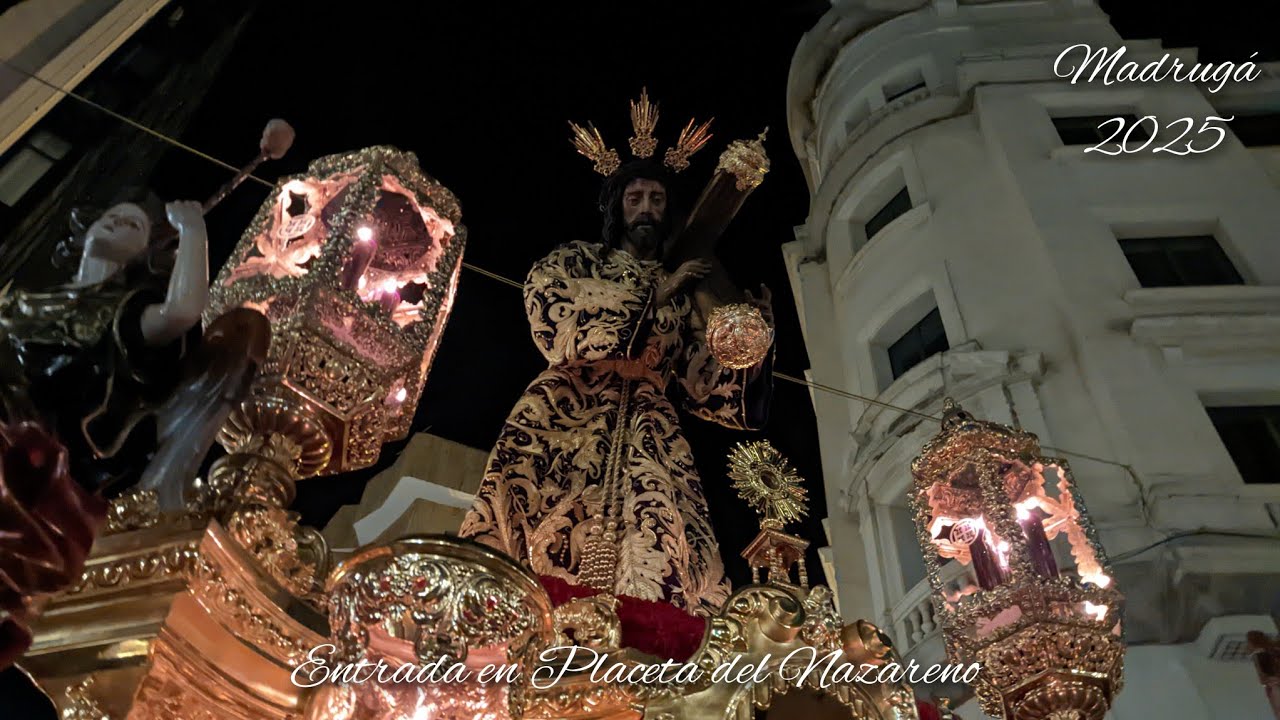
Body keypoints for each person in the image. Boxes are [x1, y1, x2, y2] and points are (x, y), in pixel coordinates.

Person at [459, 158, 773, 615]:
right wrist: (654, 296)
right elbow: (550, 307)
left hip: (650, 425)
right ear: (617, 208)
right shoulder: (580, 260)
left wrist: (747, 341)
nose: (646, 208)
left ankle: (647, 632)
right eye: (635, 198)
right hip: (566, 411)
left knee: (658, 532)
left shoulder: (688, 288)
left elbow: (703, 382)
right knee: (532, 521)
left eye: (657, 199)